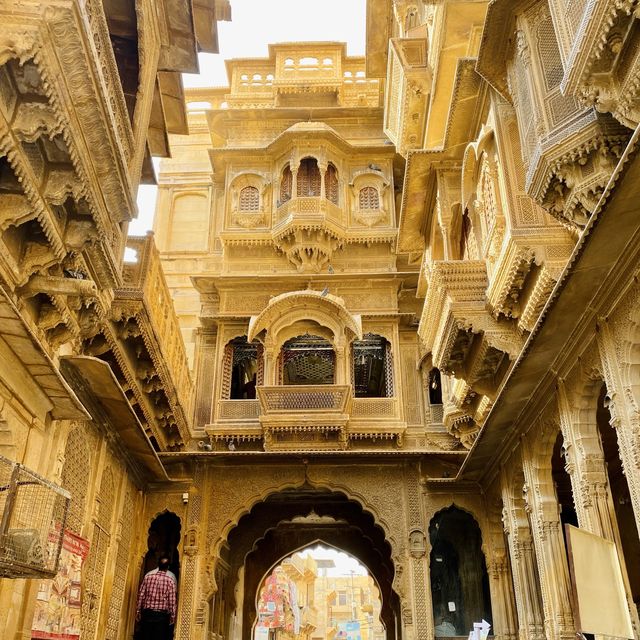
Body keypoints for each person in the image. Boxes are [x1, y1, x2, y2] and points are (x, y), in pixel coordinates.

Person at [136, 557, 177, 640]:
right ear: (168, 567)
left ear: (158, 565)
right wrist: (172, 616)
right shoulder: (170, 581)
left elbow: (141, 595)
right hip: (161, 615)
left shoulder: (148, 577)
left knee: (146, 636)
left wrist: (138, 610)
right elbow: (172, 601)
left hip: (148, 613)